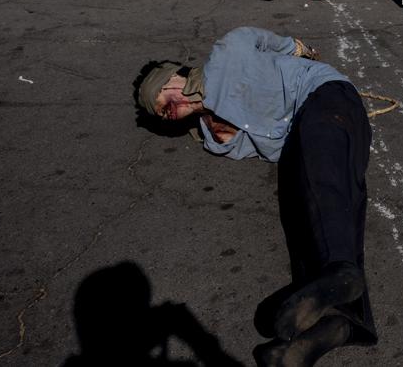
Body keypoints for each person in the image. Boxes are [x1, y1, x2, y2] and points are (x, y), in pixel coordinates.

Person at [134, 27, 377, 366]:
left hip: (325, 97)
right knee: (311, 212)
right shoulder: (212, 135)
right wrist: (219, 128)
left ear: (169, 79)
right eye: (161, 115)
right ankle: (346, 322)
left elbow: (263, 40)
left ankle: (341, 271)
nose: (167, 112)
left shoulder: (227, 53)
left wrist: (298, 47)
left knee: (321, 180)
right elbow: (260, 145)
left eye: (161, 103)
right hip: (315, 141)